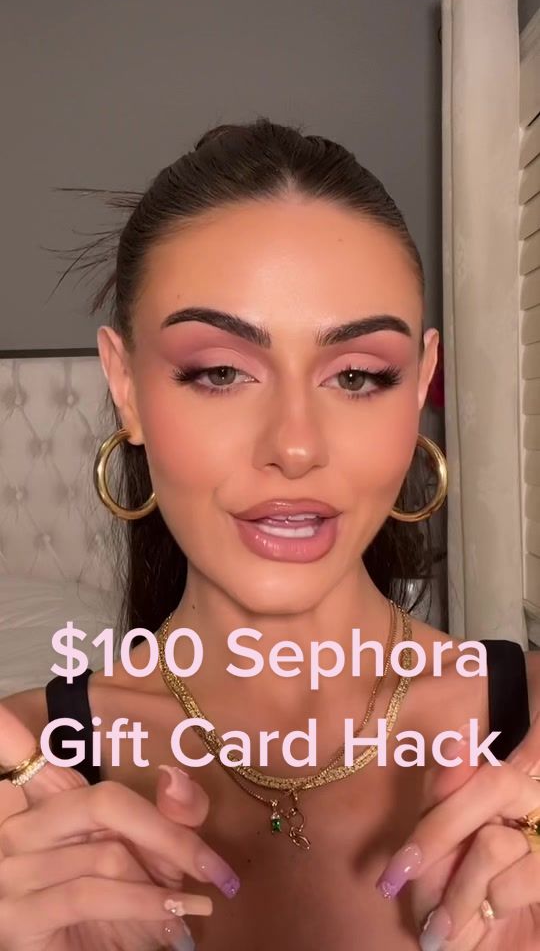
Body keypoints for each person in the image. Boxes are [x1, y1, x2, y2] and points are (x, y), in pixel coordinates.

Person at [1, 117, 540, 951]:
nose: (295, 446)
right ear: (126, 384)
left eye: (357, 375)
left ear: (419, 385)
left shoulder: (531, 723)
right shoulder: (22, 774)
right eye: (220, 372)